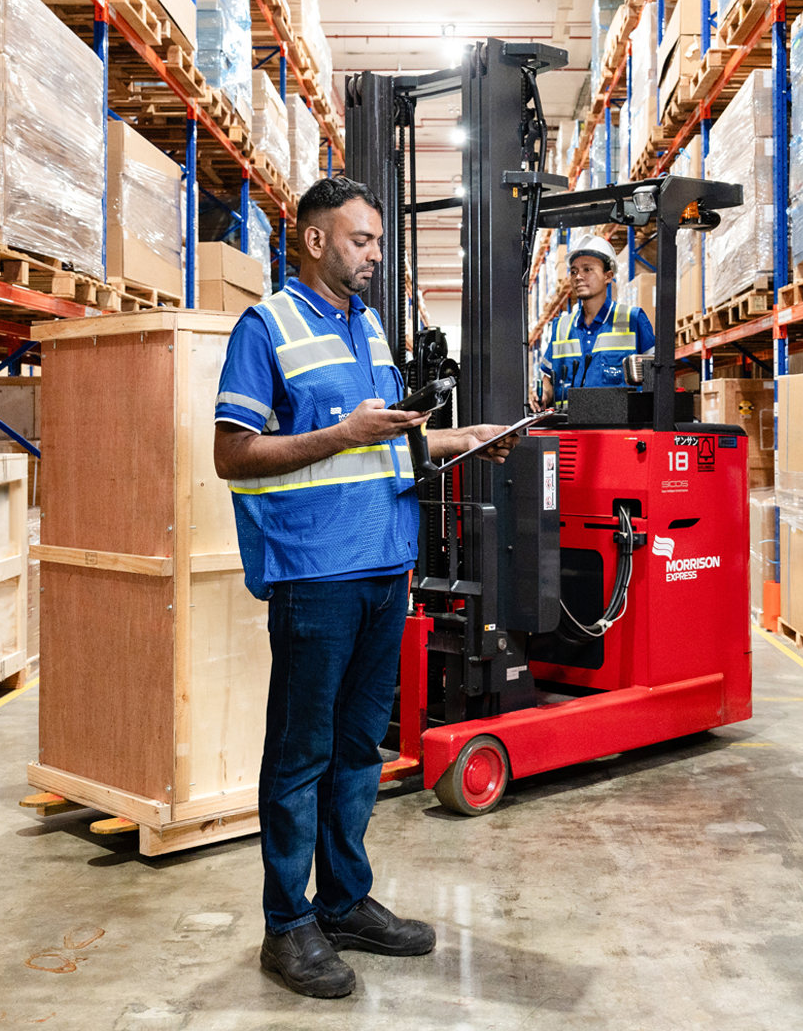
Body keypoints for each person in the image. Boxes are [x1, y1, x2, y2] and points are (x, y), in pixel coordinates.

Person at [212, 176, 517, 1001]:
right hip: (316, 575)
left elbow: (384, 448)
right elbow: (231, 455)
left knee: (358, 751)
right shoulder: (265, 326)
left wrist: (459, 438)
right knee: (301, 753)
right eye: (362, 240)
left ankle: (343, 903)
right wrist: (339, 433)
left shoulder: (369, 326)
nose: (376, 255)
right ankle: (287, 925)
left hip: (386, 567)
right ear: (314, 240)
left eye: (379, 241)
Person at [533, 234, 656, 409]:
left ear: (608, 276)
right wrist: (541, 395)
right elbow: (549, 381)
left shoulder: (633, 319)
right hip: (569, 429)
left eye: (587, 269)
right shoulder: (561, 327)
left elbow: (656, 377)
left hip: (618, 431)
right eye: (574, 271)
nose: (578, 277)